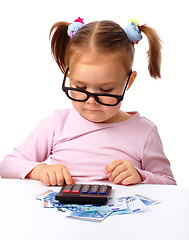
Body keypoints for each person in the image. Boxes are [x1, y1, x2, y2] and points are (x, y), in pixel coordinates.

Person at [0, 18, 176, 186]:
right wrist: (39, 171)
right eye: (80, 87)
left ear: (128, 82)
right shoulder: (57, 124)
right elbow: (7, 165)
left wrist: (141, 176)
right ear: (70, 77)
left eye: (106, 90)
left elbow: (168, 183)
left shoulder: (144, 133)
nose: (91, 101)